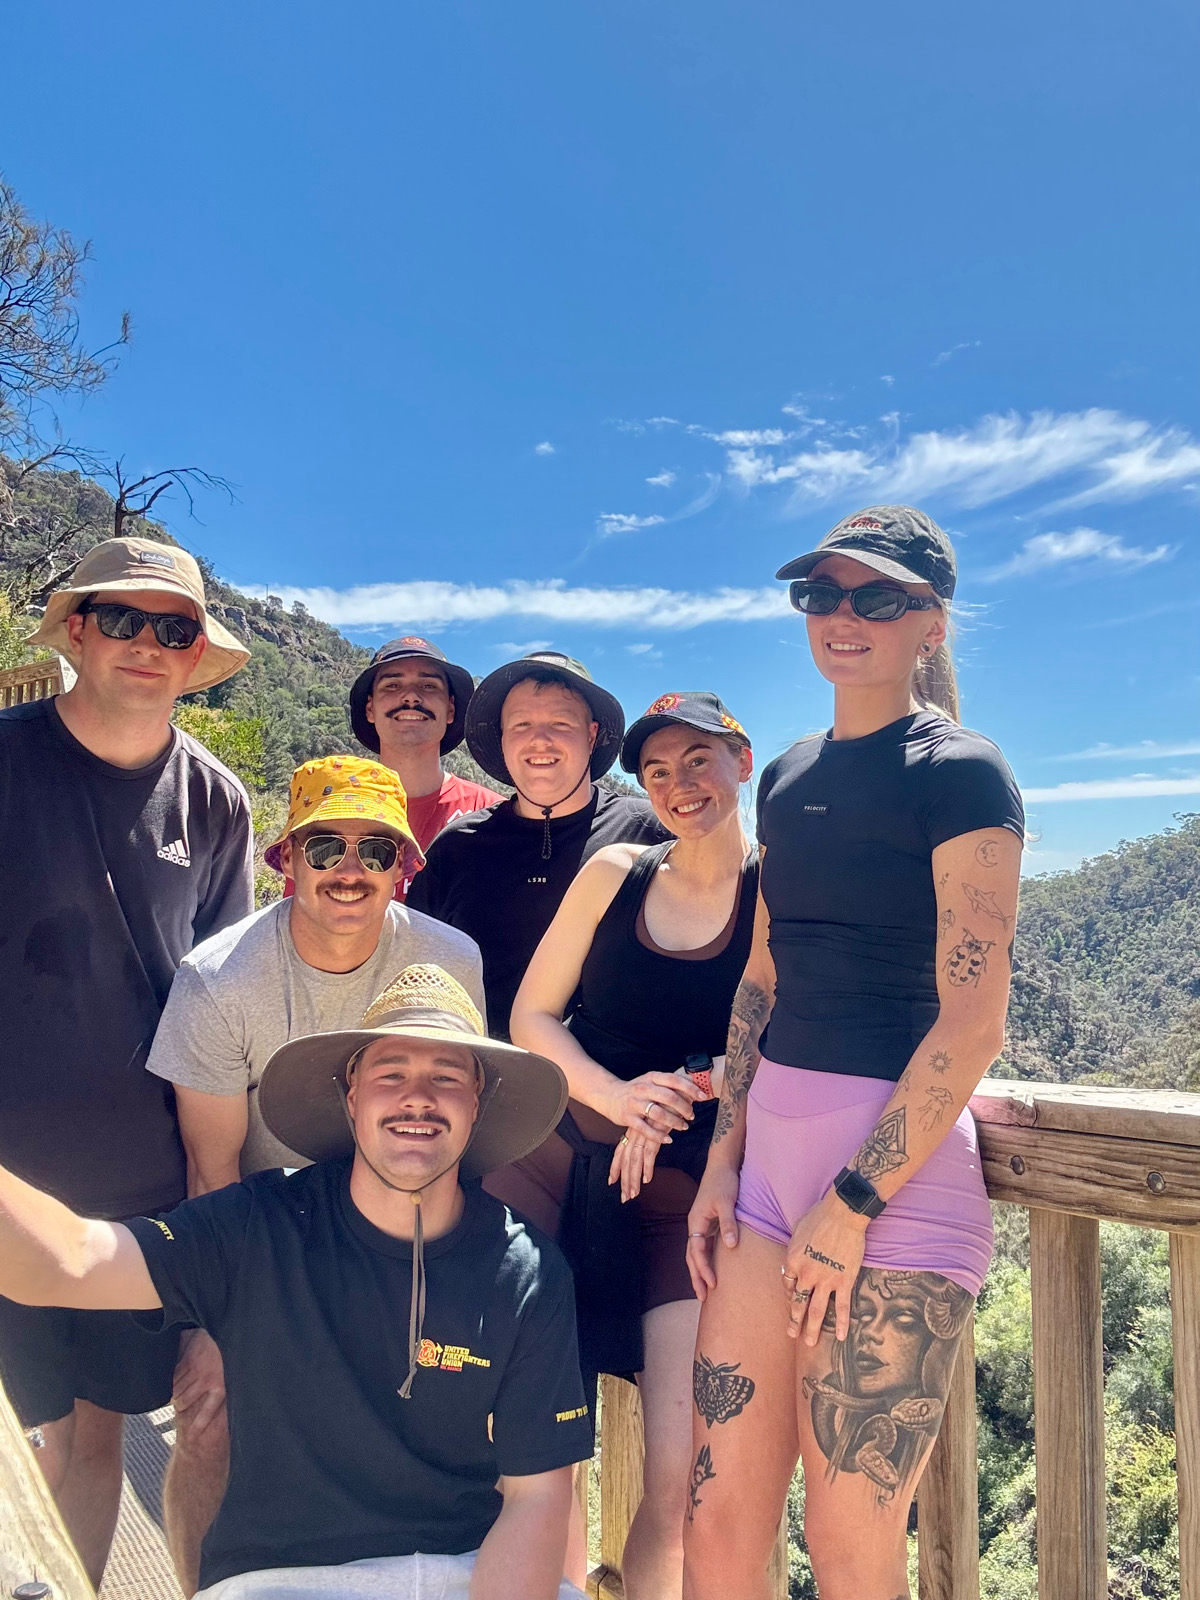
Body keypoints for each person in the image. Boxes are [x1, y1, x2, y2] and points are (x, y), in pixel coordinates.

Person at [0, 964, 593, 1600]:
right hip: (281, 1580)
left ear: (477, 1104)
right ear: (351, 1096)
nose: (417, 1097)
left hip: (466, 1570)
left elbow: (536, 1496)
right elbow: (71, 1260)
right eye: (391, 1073)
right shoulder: (257, 1223)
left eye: (446, 1077)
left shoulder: (527, 1272)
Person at [683, 506, 1024, 1600]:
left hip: (894, 1195)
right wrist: (723, 1160)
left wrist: (853, 1200)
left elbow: (972, 1021)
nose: (844, 615)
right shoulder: (786, 775)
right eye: (821, 593)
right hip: (768, 1182)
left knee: (851, 1552)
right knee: (715, 1528)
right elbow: (762, 980)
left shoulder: (962, 773)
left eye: (877, 597)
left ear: (931, 622)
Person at [145, 754, 486, 1593]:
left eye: (376, 850)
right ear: (287, 859)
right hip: (262, 1226)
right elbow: (213, 1167)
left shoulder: (450, 960)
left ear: (404, 868)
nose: (349, 869)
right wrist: (218, 1326)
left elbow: (453, 1126)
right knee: (210, 1413)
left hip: (400, 1220)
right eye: (325, 845)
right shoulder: (220, 979)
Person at [0, 534, 253, 1587]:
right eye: (120, 617)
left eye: (174, 627)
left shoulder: (218, 802)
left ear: (197, 655)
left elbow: (224, 1005)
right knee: (22, 1448)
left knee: (96, 1436)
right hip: (6, 1182)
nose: (147, 643)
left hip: (140, 1198)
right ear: (73, 630)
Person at [501, 692, 757, 1600]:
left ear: (742, 762)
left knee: (681, 1485)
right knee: (531, 1450)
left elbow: (795, 1034)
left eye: (698, 760)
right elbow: (533, 1016)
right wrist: (618, 1095)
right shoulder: (616, 872)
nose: (679, 784)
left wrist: (694, 1084)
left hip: (683, 1201)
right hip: (552, 1162)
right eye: (656, 771)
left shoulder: (778, 892)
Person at [408, 650, 670, 1038]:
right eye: (521, 724)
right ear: (502, 738)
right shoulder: (456, 850)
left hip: (625, 1074)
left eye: (560, 723)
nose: (539, 740)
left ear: (592, 735)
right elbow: (414, 976)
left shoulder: (653, 834)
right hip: (486, 1071)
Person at [349, 635, 502, 876]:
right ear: (370, 709)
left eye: (429, 686)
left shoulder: (493, 817)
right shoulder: (334, 815)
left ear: (450, 709)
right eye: (392, 685)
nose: (411, 697)